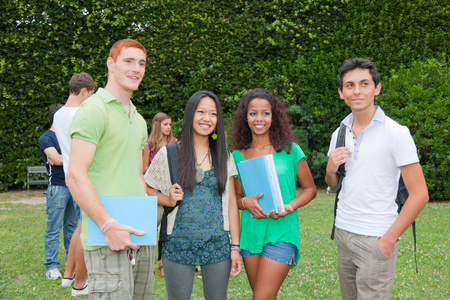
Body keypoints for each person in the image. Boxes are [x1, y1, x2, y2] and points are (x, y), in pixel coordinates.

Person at [325, 58, 429, 300]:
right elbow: (334, 184)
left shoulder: (397, 133)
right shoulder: (339, 133)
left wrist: (388, 240)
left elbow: (420, 194)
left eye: (364, 84)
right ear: (341, 93)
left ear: (377, 88)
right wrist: (330, 168)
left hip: (377, 237)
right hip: (343, 233)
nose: (357, 91)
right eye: (349, 85)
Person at [65, 39, 154, 298]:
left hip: (140, 233)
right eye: (128, 61)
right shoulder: (93, 111)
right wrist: (108, 226)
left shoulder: (137, 119)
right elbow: (74, 175)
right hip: (106, 236)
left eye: (141, 63)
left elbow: (137, 175)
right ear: (111, 64)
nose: (136, 69)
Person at [144, 90, 242, 299]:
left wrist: (235, 246)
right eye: (201, 112)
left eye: (213, 114)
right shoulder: (169, 153)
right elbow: (146, 189)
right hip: (177, 242)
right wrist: (167, 199)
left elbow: (232, 203)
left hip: (217, 244)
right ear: (190, 115)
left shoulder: (224, 156)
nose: (207, 118)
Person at [232, 88, 317, 299]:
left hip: (282, 231)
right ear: (245, 117)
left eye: (265, 113)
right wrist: (245, 202)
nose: (259, 118)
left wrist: (291, 206)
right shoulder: (236, 155)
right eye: (253, 113)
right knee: (263, 295)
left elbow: (310, 189)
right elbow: (234, 198)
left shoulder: (290, 150)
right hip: (251, 234)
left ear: (274, 116)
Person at [53, 72, 96, 296]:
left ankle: (68, 276)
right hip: (85, 175)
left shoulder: (59, 114)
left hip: (70, 174)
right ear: (84, 92)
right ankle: (80, 284)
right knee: (87, 229)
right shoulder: (82, 113)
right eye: (91, 94)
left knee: (80, 227)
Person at [38, 104, 78, 281]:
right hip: (58, 187)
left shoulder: (70, 137)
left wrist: (62, 159)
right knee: (53, 229)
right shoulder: (46, 138)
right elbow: (56, 159)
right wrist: (62, 159)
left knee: (71, 228)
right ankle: (52, 266)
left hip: (74, 185)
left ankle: (73, 264)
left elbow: (65, 159)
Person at [142, 111, 177, 277]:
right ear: (157, 125)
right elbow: (143, 170)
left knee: (168, 229)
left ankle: (165, 263)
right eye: (165, 124)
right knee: (150, 227)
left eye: (170, 125)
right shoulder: (149, 145)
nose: (169, 127)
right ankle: (146, 263)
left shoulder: (175, 144)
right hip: (154, 193)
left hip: (171, 191)